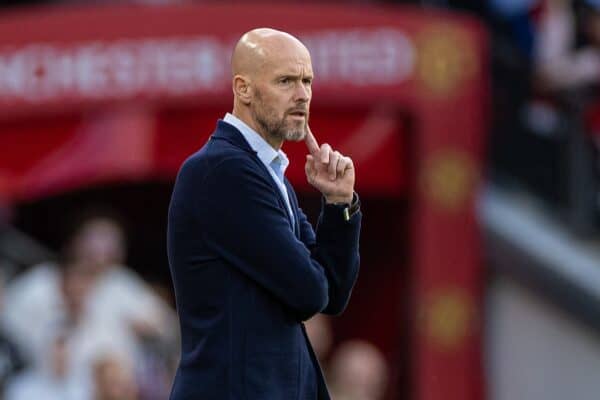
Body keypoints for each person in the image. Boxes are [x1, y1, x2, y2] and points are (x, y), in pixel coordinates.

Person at [167, 28, 362, 399]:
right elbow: (309, 292)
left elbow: (332, 294)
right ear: (243, 89)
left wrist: (338, 205)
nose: (302, 94)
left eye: (307, 81)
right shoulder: (223, 171)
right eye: (286, 81)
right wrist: (314, 274)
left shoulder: (267, 174)